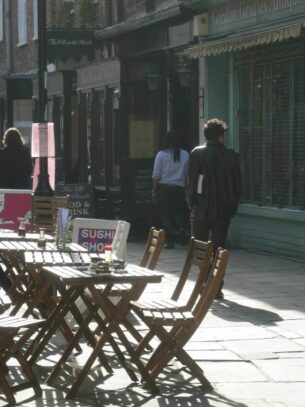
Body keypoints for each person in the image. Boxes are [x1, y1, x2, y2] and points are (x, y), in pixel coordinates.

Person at [186, 118, 242, 298]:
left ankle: (204, 282)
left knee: (201, 248)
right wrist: (231, 206)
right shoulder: (231, 155)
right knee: (219, 247)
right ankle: (217, 285)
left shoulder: (196, 153)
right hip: (222, 209)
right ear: (221, 136)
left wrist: (191, 203)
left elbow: (191, 182)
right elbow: (237, 186)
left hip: (201, 208)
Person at [152, 130, 189, 249]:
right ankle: (182, 229)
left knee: (166, 215)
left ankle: (170, 241)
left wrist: (154, 190)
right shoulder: (185, 154)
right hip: (179, 188)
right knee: (178, 212)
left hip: (165, 188)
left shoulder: (161, 155)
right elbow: (187, 173)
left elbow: (156, 175)